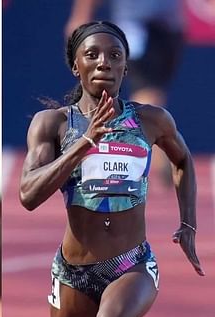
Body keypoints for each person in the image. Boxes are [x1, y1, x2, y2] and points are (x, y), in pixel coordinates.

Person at [20, 21, 203, 317]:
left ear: (125, 68)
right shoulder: (54, 124)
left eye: (115, 56)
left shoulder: (151, 120)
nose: (104, 62)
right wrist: (84, 142)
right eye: (92, 55)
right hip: (72, 273)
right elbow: (28, 195)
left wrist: (189, 224)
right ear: (76, 67)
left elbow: (183, 160)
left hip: (131, 265)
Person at [65, 0, 184, 186]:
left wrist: (80, 16)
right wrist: (80, 15)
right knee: (146, 90)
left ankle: (152, 157)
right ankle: (145, 160)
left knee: (153, 93)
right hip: (135, 27)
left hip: (169, 28)